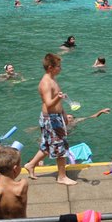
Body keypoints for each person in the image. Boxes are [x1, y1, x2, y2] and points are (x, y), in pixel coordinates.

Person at [23, 54, 77, 185]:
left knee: (47, 146)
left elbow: (56, 101)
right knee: (60, 147)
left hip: (56, 117)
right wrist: (59, 98)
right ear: (51, 67)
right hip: (51, 119)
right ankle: (62, 177)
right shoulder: (46, 82)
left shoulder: (52, 79)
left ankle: (30, 165)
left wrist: (63, 113)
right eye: (59, 66)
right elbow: (48, 103)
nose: (61, 68)